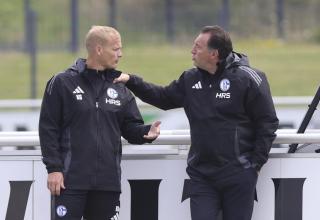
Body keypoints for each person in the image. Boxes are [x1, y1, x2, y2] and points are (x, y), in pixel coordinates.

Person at [114, 25, 279, 220]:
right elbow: (162, 97)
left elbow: (267, 122)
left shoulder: (249, 78)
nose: (192, 51)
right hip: (202, 176)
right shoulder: (190, 79)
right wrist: (131, 80)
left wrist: (255, 165)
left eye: (198, 47)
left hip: (239, 175)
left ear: (214, 54)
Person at [39, 25, 161, 220]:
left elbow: (129, 127)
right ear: (98, 49)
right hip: (70, 182)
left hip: (107, 184)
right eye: (116, 49)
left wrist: (146, 132)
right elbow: (48, 129)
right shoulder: (62, 82)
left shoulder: (121, 87)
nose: (120, 54)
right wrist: (54, 169)